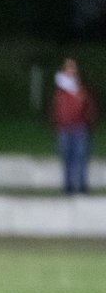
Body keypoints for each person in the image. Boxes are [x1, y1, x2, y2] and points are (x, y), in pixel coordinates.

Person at [50, 58, 97, 195]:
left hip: (80, 128)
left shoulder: (80, 89)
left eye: (73, 68)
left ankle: (82, 186)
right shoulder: (60, 90)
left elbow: (88, 107)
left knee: (81, 158)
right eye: (68, 68)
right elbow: (56, 109)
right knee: (67, 159)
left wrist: (89, 121)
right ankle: (68, 187)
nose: (71, 70)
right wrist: (57, 123)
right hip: (64, 129)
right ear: (64, 70)